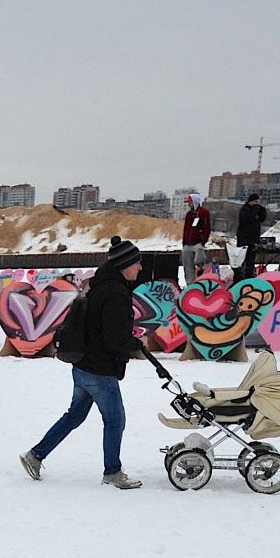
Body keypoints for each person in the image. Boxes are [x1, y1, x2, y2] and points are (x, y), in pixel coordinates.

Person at [18, 237, 148, 489]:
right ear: (124, 265)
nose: (140, 268)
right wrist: (135, 344)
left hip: (84, 365)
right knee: (115, 420)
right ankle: (112, 472)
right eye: (137, 263)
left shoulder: (100, 285)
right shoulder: (115, 293)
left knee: (74, 415)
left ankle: (35, 455)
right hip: (99, 369)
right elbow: (114, 338)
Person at [234, 193, 268, 284]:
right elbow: (249, 219)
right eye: (255, 202)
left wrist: (261, 210)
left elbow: (262, 219)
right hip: (244, 239)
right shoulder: (244, 210)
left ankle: (249, 277)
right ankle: (240, 278)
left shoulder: (257, 210)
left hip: (254, 239)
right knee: (242, 260)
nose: (257, 204)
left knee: (251, 261)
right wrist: (255, 210)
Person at [180, 193, 212, 285]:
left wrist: (203, 241)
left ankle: (203, 271)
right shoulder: (189, 214)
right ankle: (190, 284)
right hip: (188, 244)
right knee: (187, 266)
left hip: (198, 242)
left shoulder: (203, 213)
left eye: (190, 202)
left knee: (199, 259)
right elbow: (186, 229)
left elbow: (207, 228)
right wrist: (184, 242)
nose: (188, 204)